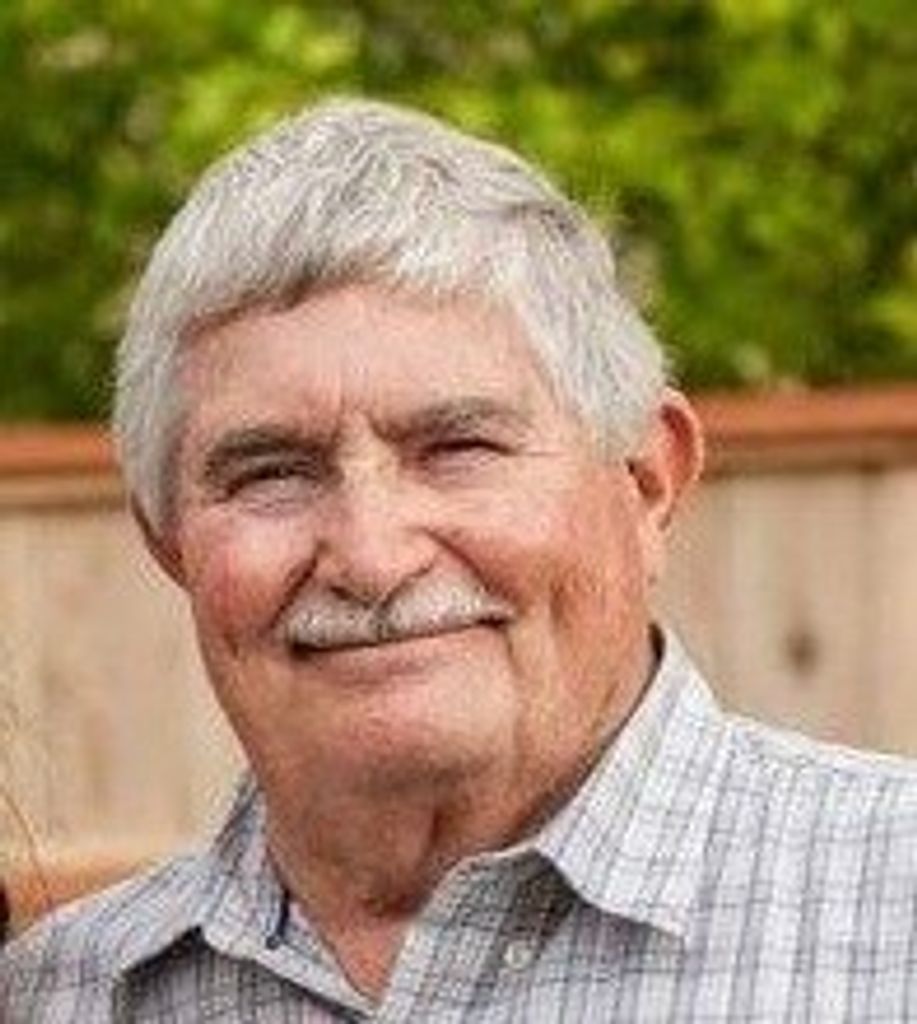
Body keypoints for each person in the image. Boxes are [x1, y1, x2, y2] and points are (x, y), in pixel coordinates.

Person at [3, 98, 917, 1022]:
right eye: (272, 472)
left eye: (458, 448)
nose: (372, 557)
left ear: (647, 479)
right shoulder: (61, 996)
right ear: (167, 540)